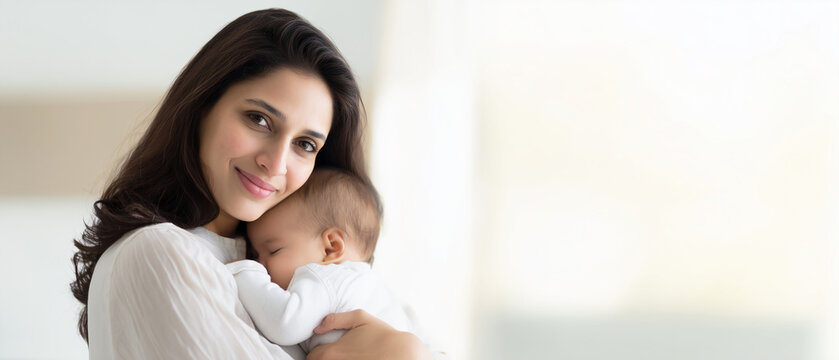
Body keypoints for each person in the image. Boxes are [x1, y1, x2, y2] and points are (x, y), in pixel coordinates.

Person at [70, 8, 435, 359]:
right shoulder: (159, 252)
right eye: (258, 120)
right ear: (202, 108)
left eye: (305, 145)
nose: (275, 163)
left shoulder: (303, 264)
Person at [228, 168, 425, 355]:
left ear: (331, 248)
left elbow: (285, 323)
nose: (260, 263)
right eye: (254, 255)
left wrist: (244, 273)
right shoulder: (375, 290)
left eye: (273, 250)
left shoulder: (326, 277)